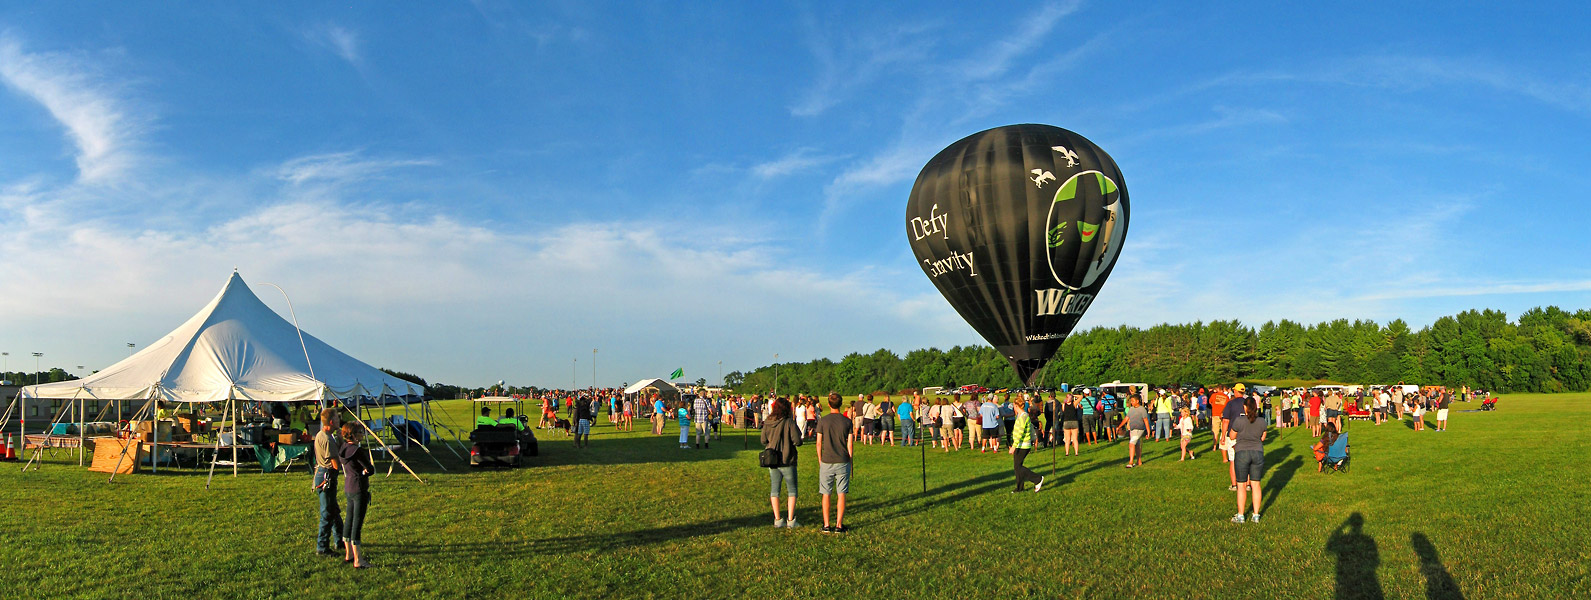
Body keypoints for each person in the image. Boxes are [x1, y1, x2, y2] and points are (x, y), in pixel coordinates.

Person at [759, 398, 803, 528]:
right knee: (792, 490)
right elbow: (797, 440)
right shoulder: (789, 422)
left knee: (775, 489)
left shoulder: (768, 422)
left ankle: (777, 518)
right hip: (787, 459)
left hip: (772, 459)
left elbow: (763, 440)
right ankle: (790, 519)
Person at [814, 392, 854, 533]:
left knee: (826, 493)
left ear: (829, 404)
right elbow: (850, 445)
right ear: (840, 404)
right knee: (841, 493)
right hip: (843, 460)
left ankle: (826, 524)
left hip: (827, 460)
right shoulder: (847, 422)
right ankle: (838, 525)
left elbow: (819, 443)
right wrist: (850, 461)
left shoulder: (823, 421)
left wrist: (820, 460)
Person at [1228, 395, 1269, 524]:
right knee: (1256, 484)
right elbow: (1263, 438)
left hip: (1242, 453)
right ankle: (1256, 515)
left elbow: (1232, 436)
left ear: (1245, 407)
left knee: (1241, 485)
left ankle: (1241, 515)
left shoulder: (1239, 421)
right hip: (1257, 453)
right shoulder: (1262, 421)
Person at [339, 422, 373, 568]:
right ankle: (358, 560)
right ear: (353, 435)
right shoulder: (357, 451)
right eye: (360, 432)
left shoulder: (343, 448)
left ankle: (349, 554)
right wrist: (365, 472)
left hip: (349, 486)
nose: (362, 434)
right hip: (359, 488)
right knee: (356, 523)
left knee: (349, 520)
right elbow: (370, 469)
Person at [312, 408, 344, 557]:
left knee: (333, 509)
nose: (339, 420)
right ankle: (322, 547)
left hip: (321, 473)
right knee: (327, 513)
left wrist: (340, 439)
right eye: (337, 418)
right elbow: (335, 463)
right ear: (331, 422)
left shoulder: (322, 434)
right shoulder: (327, 439)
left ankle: (340, 540)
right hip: (327, 475)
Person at [1009, 399, 1044, 493]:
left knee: (1018, 467)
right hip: (1020, 444)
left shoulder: (1023, 417)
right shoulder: (1021, 416)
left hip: (1023, 445)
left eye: (1014, 406)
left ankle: (1037, 479)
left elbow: (1020, 433)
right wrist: (1034, 437)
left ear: (1016, 406)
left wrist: (1014, 446)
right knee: (1017, 467)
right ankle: (1019, 488)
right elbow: (1031, 427)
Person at [1222, 384, 1250, 490]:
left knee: (1233, 460)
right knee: (1246, 460)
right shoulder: (1248, 403)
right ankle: (1247, 484)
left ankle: (1234, 485)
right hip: (1247, 434)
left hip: (1233, 434)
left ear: (1236, 391)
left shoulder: (1230, 404)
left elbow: (1226, 420)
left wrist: (1223, 435)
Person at [1117, 397, 1150, 467]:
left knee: (1131, 444)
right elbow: (1126, 418)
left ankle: (1131, 462)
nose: (1131, 402)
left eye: (1133, 401)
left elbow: (1146, 420)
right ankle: (1139, 461)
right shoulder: (1131, 409)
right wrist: (1119, 426)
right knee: (1137, 445)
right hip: (1132, 430)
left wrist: (1148, 431)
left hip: (1139, 429)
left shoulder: (1142, 409)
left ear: (1137, 401)